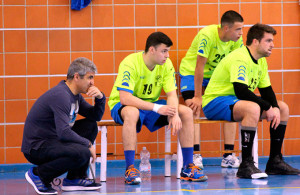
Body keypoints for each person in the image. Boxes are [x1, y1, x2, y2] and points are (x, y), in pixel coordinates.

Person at [108, 32, 208, 185]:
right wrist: (156, 108)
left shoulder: (166, 65)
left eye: (168, 51)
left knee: (186, 112)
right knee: (132, 112)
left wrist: (174, 114)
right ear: (152, 50)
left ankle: (188, 167)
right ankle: (130, 169)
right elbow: (125, 98)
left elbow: (172, 95)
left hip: (151, 105)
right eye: (164, 51)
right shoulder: (130, 63)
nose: (167, 55)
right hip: (124, 105)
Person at [202, 23, 300, 179]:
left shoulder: (260, 60)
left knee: (283, 108)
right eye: (268, 41)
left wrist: (274, 107)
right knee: (253, 108)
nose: (272, 45)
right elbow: (240, 90)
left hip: (235, 101)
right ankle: (246, 164)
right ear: (255, 41)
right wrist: (267, 107)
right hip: (215, 101)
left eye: (272, 41)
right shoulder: (240, 57)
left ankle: (275, 160)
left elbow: (266, 90)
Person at [22, 57, 106, 194]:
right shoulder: (61, 95)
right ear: (77, 77)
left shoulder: (75, 95)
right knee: (82, 150)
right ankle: (39, 174)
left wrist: (100, 99)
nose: (92, 82)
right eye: (90, 78)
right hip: (37, 146)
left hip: (54, 140)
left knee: (90, 126)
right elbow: (64, 132)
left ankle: (75, 178)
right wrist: (88, 144)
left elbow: (95, 116)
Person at [179, 10, 244, 169]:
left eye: (242, 29)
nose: (241, 33)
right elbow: (199, 66)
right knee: (193, 107)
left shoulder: (236, 40)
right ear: (226, 28)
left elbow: (237, 63)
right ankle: (195, 154)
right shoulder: (207, 35)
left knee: (231, 106)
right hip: (192, 71)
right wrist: (198, 95)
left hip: (216, 75)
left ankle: (228, 155)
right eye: (238, 29)